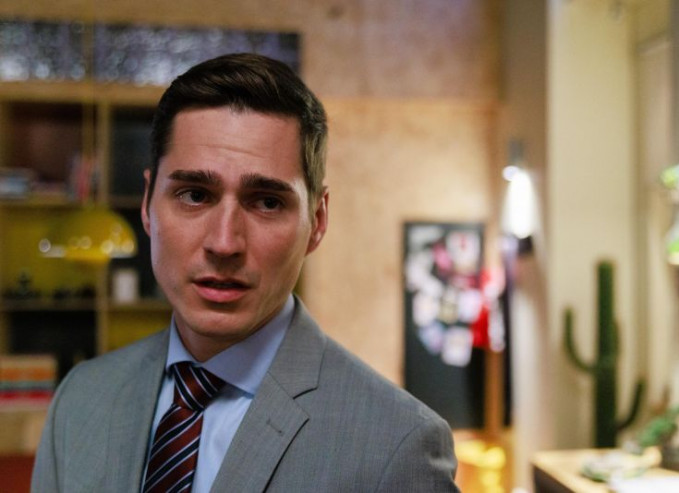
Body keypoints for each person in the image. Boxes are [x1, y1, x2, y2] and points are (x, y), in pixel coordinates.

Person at [31, 53, 459, 492]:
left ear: (317, 221)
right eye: (194, 195)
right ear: (147, 204)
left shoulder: (398, 446)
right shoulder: (80, 400)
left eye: (267, 202)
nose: (224, 243)